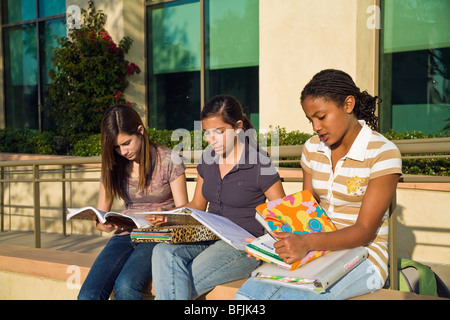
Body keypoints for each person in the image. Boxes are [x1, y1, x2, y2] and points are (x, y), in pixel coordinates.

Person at [235, 69, 402, 300]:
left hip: (364, 255)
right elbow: (306, 207)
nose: (315, 126)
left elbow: (364, 232)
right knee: (246, 297)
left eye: (321, 117)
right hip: (315, 248)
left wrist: (306, 242)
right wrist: (273, 241)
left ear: (348, 104)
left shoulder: (383, 153)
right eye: (310, 119)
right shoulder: (313, 148)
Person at [151, 94, 286, 299]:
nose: (210, 140)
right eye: (206, 133)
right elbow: (197, 204)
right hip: (208, 235)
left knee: (177, 281)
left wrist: (264, 244)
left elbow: (283, 216)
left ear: (238, 127)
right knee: (162, 251)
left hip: (241, 246)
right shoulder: (208, 159)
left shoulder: (260, 164)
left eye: (219, 132)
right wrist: (169, 216)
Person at [77, 104, 188, 300]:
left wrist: (165, 219)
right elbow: (101, 213)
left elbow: (184, 210)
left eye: (126, 143)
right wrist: (102, 224)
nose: (122, 151)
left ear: (140, 131)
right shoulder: (114, 164)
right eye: (117, 147)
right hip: (125, 234)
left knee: (126, 287)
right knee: (88, 294)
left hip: (158, 236)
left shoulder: (170, 159)